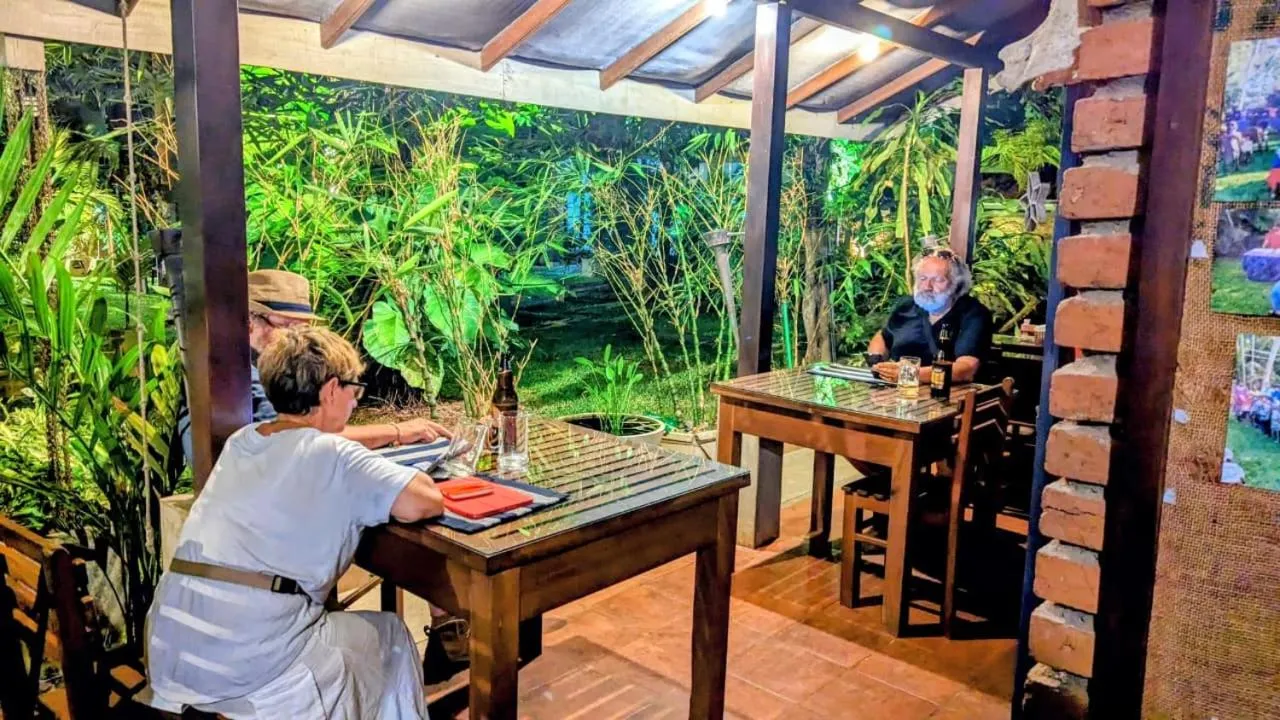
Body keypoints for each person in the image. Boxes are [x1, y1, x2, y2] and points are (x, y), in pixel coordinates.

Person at [146, 326, 444, 718]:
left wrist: (392, 435)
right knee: (390, 635)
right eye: (354, 391)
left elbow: (313, 443)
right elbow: (424, 501)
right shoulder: (335, 458)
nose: (356, 403)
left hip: (172, 656)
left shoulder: (244, 441)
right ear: (331, 390)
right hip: (255, 672)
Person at [177, 269, 448, 464]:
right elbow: (300, 440)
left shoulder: (267, 366)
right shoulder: (236, 375)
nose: (298, 339)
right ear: (250, 321)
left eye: (303, 328)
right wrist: (396, 431)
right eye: (287, 327)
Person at [867, 247, 993, 385]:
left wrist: (908, 374)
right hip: (899, 393)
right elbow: (883, 336)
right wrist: (877, 361)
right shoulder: (906, 306)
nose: (927, 286)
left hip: (949, 396)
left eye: (938, 280)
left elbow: (966, 369)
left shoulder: (974, 314)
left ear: (956, 284)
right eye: (923, 278)